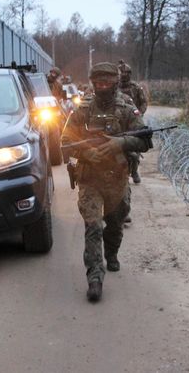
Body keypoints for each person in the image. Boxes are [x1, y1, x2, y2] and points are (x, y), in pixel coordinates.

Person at [61, 62, 150, 302]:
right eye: (97, 83)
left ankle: (111, 254)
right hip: (90, 177)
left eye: (107, 83)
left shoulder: (126, 107)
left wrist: (119, 144)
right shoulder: (83, 108)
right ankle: (95, 278)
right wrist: (86, 153)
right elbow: (66, 140)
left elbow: (144, 139)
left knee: (115, 222)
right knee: (93, 225)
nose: (102, 87)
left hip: (117, 177)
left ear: (114, 82)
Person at [118, 62, 148, 184]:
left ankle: (134, 171)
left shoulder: (135, 87)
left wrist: (139, 114)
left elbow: (143, 102)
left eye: (126, 73)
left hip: (133, 121)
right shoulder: (115, 87)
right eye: (122, 72)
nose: (124, 75)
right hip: (118, 120)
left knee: (134, 149)